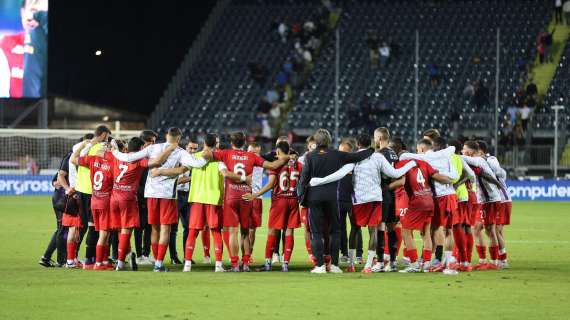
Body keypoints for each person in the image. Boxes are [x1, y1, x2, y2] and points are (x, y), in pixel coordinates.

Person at [309, 133, 416, 273]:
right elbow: (395, 174)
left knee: (355, 229)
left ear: (358, 144)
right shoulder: (378, 157)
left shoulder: (353, 158)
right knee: (374, 231)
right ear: (370, 143)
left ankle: (351, 265)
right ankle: (367, 267)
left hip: (358, 200)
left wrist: (319, 181)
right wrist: (411, 164)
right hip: (376, 198)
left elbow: (339, 174)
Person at [111, 127, 210, 272]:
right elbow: (198, 164)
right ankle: (158, 264)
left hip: (151, 194)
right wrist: (207, 155)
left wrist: (114, 150)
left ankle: (154, 261)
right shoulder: (181, 152)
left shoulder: (153, 148)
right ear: (178, 138)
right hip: (167, 195)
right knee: (165, 229)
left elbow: (129, 158)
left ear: (166, 135)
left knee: (154, 229)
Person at [151, 133, 240, 272]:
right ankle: (218, 265)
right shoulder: (219, 160)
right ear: (216, 144)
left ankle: (187, 265)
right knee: (216, 231)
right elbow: (225, 174)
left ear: (204, 142)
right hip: (213, 198)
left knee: (192, 232)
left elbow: (181, 171)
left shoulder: (194, 158)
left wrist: (161, 172)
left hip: (197, 198)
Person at [203, 132, 292, 272]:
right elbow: (274, 166)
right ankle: (245, 264)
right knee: (245, 232)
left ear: (232, 143)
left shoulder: (225, 154)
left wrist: (209, 148)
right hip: (246, 196)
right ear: (244, 143)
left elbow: (206, 155)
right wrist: (287, 157)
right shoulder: (251, 156)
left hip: (231, 196)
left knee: (232, 232)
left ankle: (234, 265)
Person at [297, 128, 375, 274]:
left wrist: (302, 198)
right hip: (333, 197)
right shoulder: (336, 154)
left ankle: (320, 265)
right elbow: (357, 157)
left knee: (316, 232)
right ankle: (334, 265)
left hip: (314, 198)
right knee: (335, 231)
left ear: (316, 141)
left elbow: (303, 180)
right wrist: (371, 149)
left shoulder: (309, 157)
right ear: (329, 141)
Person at [110, 137, 177, 271]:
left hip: (113, 197)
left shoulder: (118, 156)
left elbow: (112, 150)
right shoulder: (139, 161)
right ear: (141, 149)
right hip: (127, 199)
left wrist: (113, 146)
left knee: (118, 230)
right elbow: (158, 162)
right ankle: (121, 263)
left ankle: (124, 256)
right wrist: (169, 149)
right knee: (126, 230)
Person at [392, 139, 453, 273]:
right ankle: (426, 264)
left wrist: (387, 187)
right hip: (429, 200)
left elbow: (400, 181)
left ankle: (413, 264)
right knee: (426, 233)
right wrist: (451, 181)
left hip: (417, 201)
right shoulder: (423, 162)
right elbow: (437, 176)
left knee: (406, 231)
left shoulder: (401, 163)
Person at [244, 141, 302, 272]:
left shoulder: (276, 165)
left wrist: (255, 194)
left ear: (279, 152)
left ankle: (268, 263)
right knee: (289, 231)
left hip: (279, 200)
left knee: (272, 230)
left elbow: (270, 184)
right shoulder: (298, 164)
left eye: (277, 152)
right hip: (293, 200)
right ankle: (285, 264)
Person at [68, 125, 112, 269]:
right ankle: (92, 260)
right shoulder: (103, 149)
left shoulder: (84, 147)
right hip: (96, 193)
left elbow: (74, 158)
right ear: (104, 135)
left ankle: (74, 258)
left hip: (81, 190)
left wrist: (85, 144)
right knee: (97, 228)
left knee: (82, 227)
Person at [461, 141, 504, 270]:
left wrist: (451, 154)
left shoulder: (478, 160)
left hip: (490, 200)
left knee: (489, 230)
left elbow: (462, 158)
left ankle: (494, 261)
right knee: (479, 229)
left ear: (470, 152)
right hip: (486, 200)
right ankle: (484, 259)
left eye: (464, 149)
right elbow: (484, 174)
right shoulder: (476, 161)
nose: (462, 151)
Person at [480, 142, 512, 269]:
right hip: (498, 200)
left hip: (502, 200)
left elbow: (499, 172)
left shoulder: (491, 159)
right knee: (494, 230)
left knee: (496, 230)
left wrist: (484, 163)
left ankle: (503, 260)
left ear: (481, 152)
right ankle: (500, 257)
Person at [169, 137, 200, 265]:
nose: (192, 150)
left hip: (189, 196)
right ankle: (173, 257)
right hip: (176, 196)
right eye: (190, 148)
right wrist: (192, 178)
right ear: (185, 147)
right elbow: (175, 180)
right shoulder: (178, 160)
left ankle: (187, 256)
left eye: (195, 149)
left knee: (189, 227)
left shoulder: (196, 162)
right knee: (173, 228)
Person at [374, 127, 400, 272]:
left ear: (380, 138)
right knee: (391, 227)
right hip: (392, 194)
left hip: (382, 193)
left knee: (380, 226)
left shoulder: (380, 155)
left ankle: (379, 262)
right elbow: (398, 176)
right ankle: (393, 261)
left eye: (375, 137)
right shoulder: (394, 154)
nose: (374, 140)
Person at [39, 153, 71, 267]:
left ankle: (47, 258)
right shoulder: (69, 158)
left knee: (61, 229)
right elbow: (55, 182)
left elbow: (54, 181)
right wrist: (66, 186)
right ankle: (61, 260)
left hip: (62, 197)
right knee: (62, 229)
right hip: (61, 198)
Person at [134, 130, 158, 266]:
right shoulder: (137, 159)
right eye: (151, 142)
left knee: (149, 226)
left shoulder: (152, 158)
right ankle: (138, 255)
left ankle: (146, 254)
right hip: (139, 197)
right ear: (144, 143)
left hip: (150, 197)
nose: (153, 145)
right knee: (139, 228)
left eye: (155, 142)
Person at [246, 142, 264, 264]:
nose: (253, 155)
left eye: (256, 153)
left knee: (252, 230)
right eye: (251, 152)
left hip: (256, 198)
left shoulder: (261, 162)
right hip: (241, 196)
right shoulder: (241, 162)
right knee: (240, 229)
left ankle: (249, 254)